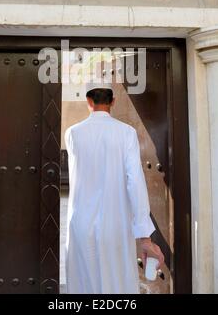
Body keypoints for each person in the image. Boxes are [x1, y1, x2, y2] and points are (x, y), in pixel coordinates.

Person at [64, 83, 164, 294]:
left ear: (88, 102)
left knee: (84, 284)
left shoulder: (72, 133)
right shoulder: (126, 133)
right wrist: (145, 237)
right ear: (113, 102)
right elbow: (135, 182)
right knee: (117, 285)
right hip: (115, 224)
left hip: (80, 223)